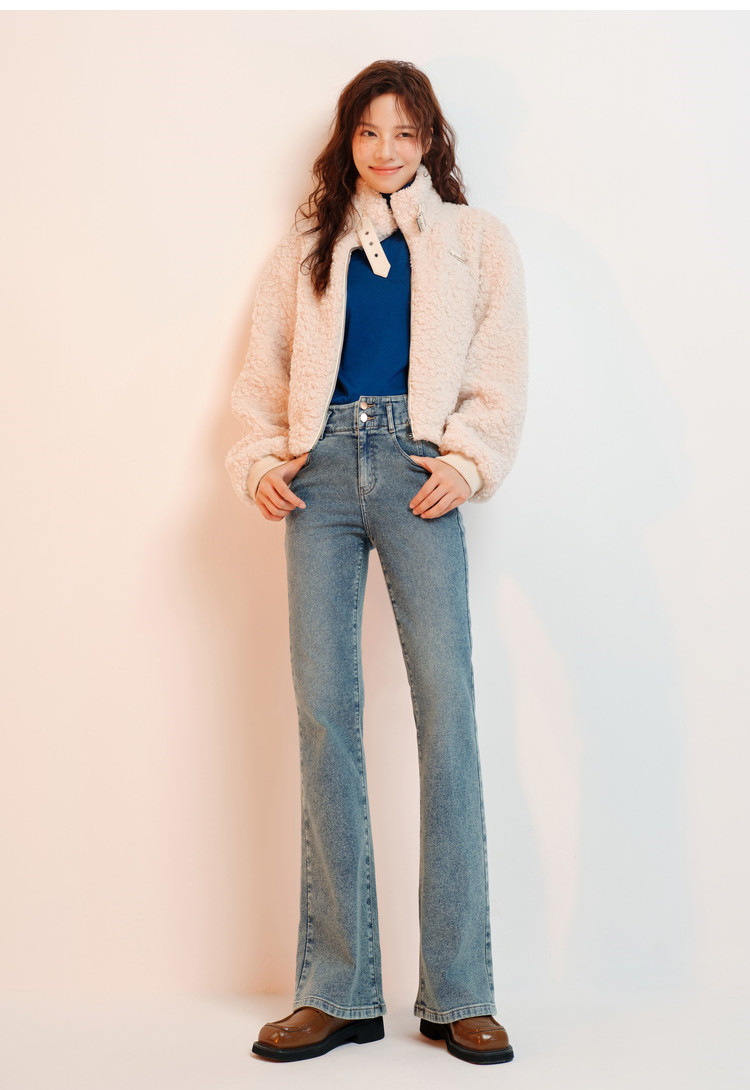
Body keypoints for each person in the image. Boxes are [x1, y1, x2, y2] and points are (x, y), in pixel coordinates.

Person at [226, 59, 528, 1065]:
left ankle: (459, 990)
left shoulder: (475, 241)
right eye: (368, 131)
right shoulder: (307, 248)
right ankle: (338, 990)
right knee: (325, 718)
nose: (386, 149)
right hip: (317, 478)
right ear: (346, 141)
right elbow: (262, 375)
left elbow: (499, 367)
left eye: (404, 131)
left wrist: (469, 460)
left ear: (429, 139)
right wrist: (260, 459)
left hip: (416, 471)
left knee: (448, 713)